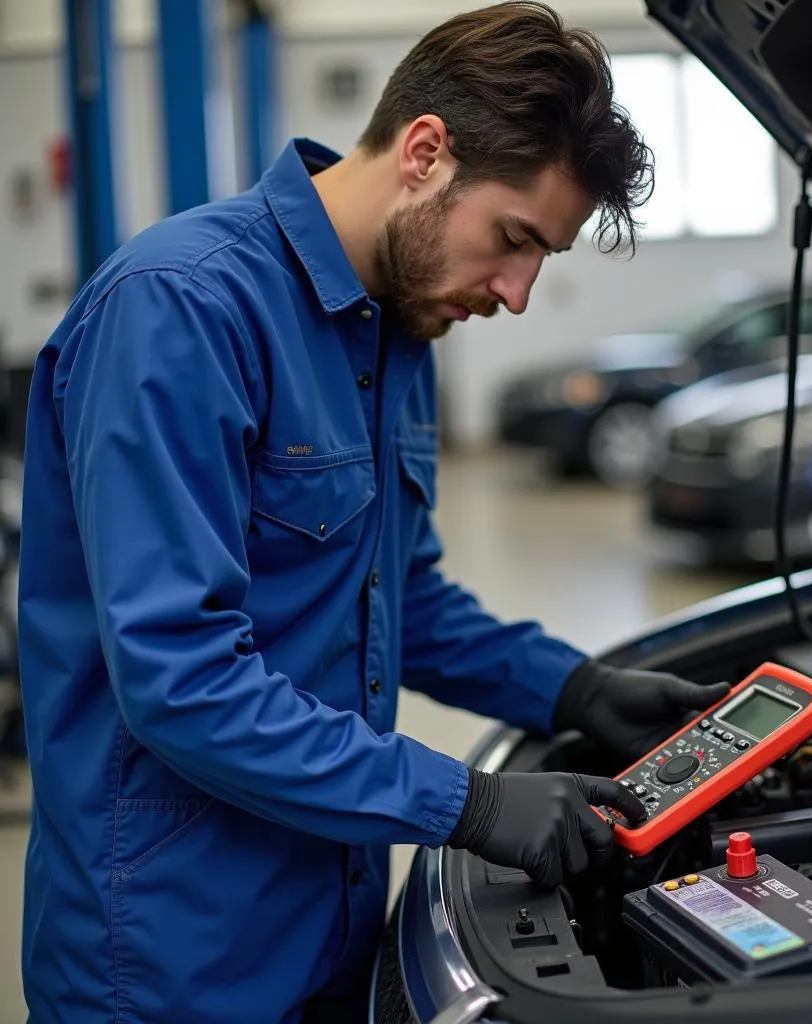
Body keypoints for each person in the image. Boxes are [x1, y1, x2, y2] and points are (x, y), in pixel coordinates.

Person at [18, 3, 728, 1021]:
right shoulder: (181, 309)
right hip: (171, 962)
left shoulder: (398, 330)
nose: (519, 294)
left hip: (331, 921)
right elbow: (181, 680)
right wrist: (469, 803)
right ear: (424, 153)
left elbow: (401, 597)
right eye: (514, 239)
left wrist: (571, 688)